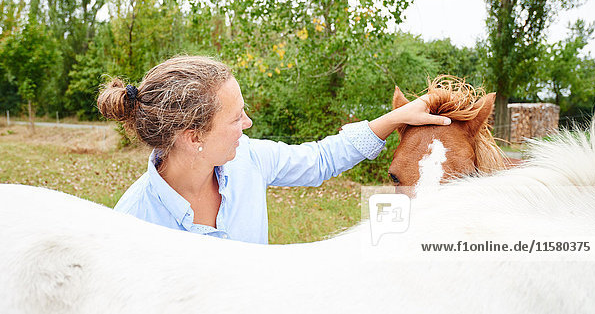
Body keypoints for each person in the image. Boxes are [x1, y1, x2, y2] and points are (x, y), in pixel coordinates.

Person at [97, 56, 450, 244]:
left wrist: (394, 118)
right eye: (236, 118)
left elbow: (320, 159)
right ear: (193, 137)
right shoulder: (132, 223)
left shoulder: (249, 160)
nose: (247, 124)